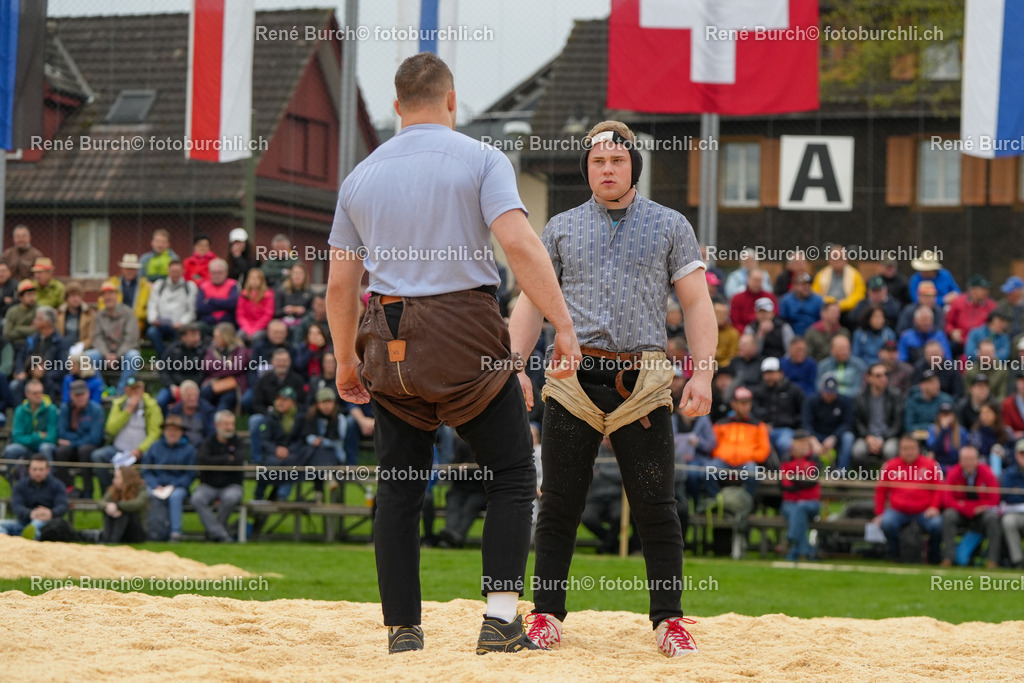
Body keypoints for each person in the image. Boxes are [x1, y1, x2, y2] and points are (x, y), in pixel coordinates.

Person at [327, 53, 582, 656]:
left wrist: (344, 360)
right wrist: (563, 326)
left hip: (388, 338)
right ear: (451, 101)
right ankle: (498, 622)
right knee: (513, 474)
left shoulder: (360, 175)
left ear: (395, 107)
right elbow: (518, 243)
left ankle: (403, 630)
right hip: (463, 329)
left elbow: (341, 285)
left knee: (399, 487)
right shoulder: (481, 158)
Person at [509, 119, 712, 657]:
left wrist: (705, 371)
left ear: (633, 167)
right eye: (598, 162)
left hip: (642, 379)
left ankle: (669, 620)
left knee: (656, 505)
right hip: (572, 377)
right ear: (587, 170)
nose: (607, 169)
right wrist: (512, 366)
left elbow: (696, 302)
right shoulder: (559, 228)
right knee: (558, 503)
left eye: (617, 161)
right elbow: (530, 302)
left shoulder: (671, 225)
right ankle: (546, 613)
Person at [872, 436, 944, 563]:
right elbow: (881, 491)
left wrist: (934, 507)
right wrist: (879, 513)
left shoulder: (931, 465)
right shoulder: (890, 465)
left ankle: (933, 555)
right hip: (898, 511)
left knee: (936, 525)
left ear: (918, 449)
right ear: (900, 450)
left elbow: (939, 489)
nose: (908, 452)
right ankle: (895, 553)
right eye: (905, 449)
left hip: (924, 511)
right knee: (887, 523)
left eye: (912, 448)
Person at [91, 377, 162, 494]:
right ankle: (109, 492)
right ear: (126, 390)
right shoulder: (119, 404)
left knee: (151, 459)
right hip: (118, 449)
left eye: (138, 388)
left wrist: (140, 449)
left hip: (141, 452)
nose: (135, 392)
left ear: (142, 388)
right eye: (132, 389)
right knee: (97, 456)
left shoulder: (151, 406)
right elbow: (110, 429)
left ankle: (143, 494)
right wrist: (128, 410)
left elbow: (155, 433)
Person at [940, 445, 1001, 568]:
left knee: (992, 518)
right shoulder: (953, 473)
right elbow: (947, 500)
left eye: (971, 459)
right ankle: (948, 558)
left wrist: (973, 507)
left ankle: (992, 560)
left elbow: (994, 499)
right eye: (965, 459)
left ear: (977, 460)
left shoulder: (987, 472)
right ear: (960, 460)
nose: (968, 462)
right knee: (948, 515)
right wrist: (970, 508)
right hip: (961, 513)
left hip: (982, 514)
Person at [141, 413, 197, 542]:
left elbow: (190, 474)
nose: (172, 433)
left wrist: (173, 485)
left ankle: (175, 533)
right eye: (169, 430)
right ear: (164, 432)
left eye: (176, 430)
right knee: (150, 495)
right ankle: (153, 531)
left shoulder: (189, 450)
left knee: (175, 496)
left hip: (178, 486)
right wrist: (155, 485)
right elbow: (146, 470)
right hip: (157, 485)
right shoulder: (155, 447)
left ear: (181, 432)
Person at [708, 386, 771, 500]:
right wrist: (721, 454)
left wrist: (748, 455)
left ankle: (744, 503)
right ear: (733, 404)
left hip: (747, 462)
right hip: (723, 461)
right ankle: (718, 502)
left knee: (753, 473)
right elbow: (712, 445)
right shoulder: (721, 423)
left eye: (748, 403)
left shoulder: (758, 425)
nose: (746, 407)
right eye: (742, 403)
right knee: (707, 472)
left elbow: (764, 450)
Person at [191, 410, 245, 543]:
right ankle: (220, 534)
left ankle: (213, 533)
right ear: (217, 425)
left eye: (232, 424)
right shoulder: (208, 442)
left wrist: (216, 460)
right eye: (226, 424)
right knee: (197, 499)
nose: (230, 428)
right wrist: (227, 458)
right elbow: (203, 459)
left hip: (232, 485)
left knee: (231, 498)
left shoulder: (238, 442)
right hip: (209, 485)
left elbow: (239, 460)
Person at [55, 380, 105, 497]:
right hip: (74, 446)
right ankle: (67, 488)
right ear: (71, 396)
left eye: (82, 394)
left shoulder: (96, 410)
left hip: (88, 448)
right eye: (77, 395)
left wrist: (72, 442)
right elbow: (62, 432)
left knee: (85, 450)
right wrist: (79, 439)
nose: (80, 398)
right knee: (61, 452)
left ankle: (88, 491)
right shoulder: (65, 409)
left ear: (88, 394)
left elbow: (95, 438)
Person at [250, 386, 301, 502]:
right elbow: (264, 439)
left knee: (292, 464)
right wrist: (275, 449)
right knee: (270, 464)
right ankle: (259, 496)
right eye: (279, 399)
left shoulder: (299, 419)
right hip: (272, 452)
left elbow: (300, 440)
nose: (280, 403)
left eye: (285, 400)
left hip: (291, 453)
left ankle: (282, 496)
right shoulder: (270, 417)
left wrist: (288, 450)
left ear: (293, 403)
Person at [0, 455, 67, 540]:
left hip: (49, 524)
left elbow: (62, 505)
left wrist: (50, 513)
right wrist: (30, 513)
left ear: (48, 470)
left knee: (35, 525)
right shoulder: (20, 485)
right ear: (29, 470)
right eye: (34, 469)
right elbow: (16, 506)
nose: (37, 473)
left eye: (41, 469)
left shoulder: (58, 485)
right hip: (23, 522)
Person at [92, 281, 142, 394]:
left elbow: (131, 338)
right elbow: (97, 338)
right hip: (105, 356)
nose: (108, 297)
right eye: (104, 294)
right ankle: (102, 389)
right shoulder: (99, 315)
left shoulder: (128, 313)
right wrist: (106, 354)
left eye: (111, 293)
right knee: (87, 357)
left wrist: (117, 355)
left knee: (134, 356)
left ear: (117, 295)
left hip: (124, 355)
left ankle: (121, 392)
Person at [578, 439, 625, 555]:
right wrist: (616, 474)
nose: (609, 442)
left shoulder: (624, 451)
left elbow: (625, 475)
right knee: (587, 518)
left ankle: (605, 548)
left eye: (611, 438)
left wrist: (602, 471)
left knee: (620, 516)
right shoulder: (594, 450)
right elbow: (591, 475)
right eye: (606, 439)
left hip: (616, 497)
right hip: (594, 498)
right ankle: (612, 544)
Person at [3, 379, 59, 477]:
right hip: (26, 448)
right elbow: (17, 437)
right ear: (27, 394)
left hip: (45, 448)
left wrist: (29, 438)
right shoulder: (20, 410)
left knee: (45, 447)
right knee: (10, 450)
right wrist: (38, 436)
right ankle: (14, 486)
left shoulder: (51, 409)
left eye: (40, 392)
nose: (39, 396)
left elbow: (52, 437)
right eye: (35, 393)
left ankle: (48, 483)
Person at [779, 430, 821, 562]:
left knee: (800, 508)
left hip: (811, 503)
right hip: (789, 503)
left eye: (806, 442)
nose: (804, 445)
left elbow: (811, 481)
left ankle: (791, 543)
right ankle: (803, 551)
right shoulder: (785, 458)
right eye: (800, 442)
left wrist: (793, 480)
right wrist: (800, 480)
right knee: (798, 510)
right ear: (793, 444)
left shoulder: (815, 459)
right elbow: (783, 484)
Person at [852, 363, 903, 468]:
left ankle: (890, 481)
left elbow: (898, 422)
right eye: (878, 376)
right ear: (869, 378)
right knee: (858, 451)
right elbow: (857, 421)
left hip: (888, 436)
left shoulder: (895, 395)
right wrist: (867, 437)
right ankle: (866, 480)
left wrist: (883, 438)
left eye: (885, 375)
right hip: (867, 436)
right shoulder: (860, 397)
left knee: (890, 451)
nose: (883, 378)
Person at [750, 356, 804, 457]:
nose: (769, 377)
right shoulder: (758, 391)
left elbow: (802, 412)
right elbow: (753, 411)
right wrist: (762, 424)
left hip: (786, 429)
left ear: (781, 373)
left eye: (772, 373)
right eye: (766, 374)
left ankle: (783, 470)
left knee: (784, 444)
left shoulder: (793, 390)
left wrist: (792, 423)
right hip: (762, 429)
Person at [145, 259, 198, 357]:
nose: (175, 274)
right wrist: (153, 319)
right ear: (168, 271)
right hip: (161, 325)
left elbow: (191, 311)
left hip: (179, 326)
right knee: (152, 332)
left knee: (182, 336)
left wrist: (181, 323)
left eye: (178, 271)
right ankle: (165, 361)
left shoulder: (190, 287)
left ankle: (171, 361)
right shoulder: (159, 285)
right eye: (173, 271)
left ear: (183, 271)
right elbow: (152, 305)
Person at [802, 375, 855, 471]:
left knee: (848, 437)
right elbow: (806, 423)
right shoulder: (811, 401)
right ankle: (805, 470)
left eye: (832, 393)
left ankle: (841, 471)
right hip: (816, 434)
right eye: (826, 392)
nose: (829, 395)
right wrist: (813, 439)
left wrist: (834, 437)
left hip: (836, 435)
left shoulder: (845, 401)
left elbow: (847, 423)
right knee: (801, 437)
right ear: (822, 389)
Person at [199, 322, 249, 412]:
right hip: (214, 383)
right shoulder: (212, 348)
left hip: (232, 385)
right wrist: (226, 364)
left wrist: (216, 370)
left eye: (217, 337)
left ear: (226, 337)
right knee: (204, 394)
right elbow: (206, 366)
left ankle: (219, 422)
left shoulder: (240, 349)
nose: (214, 339)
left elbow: (237, 367)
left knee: (225, 400)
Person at [156, 323, 206, 412]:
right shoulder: (172, 350)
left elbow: (203, 372)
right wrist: (171, 386)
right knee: (160, 401)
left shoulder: (203, 351)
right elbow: (164, 371)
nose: (197, 338)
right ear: (183, 338)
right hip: (174, 386)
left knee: (206, 403)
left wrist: (191, 387)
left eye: (198, 335)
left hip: (195, 387)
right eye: (193, 336)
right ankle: (166, 424)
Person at [100, 253, 152, 334]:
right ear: (122, 269)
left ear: (136, 270)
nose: (129, 271)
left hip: (136, 319)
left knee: (135, 327)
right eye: (127, 269)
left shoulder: (145, 286)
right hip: (114, 318)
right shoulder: (112, 283)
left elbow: (149, 307)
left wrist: (136, 316)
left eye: (132, 269)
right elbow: (102, 303)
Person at [945, 275, 995, 356]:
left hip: (981, 345)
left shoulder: (991, 306)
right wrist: (952, 332)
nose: (986, 292)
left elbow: (994, 326)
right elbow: (948, 322)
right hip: (960, 344)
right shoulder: (958, 302)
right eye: (983, 289)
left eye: (987, 289)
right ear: (973, 290)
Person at [812, 244, 866, 320]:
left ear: (846, 259)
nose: (837, 261)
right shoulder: (821, 275)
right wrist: (830, 304)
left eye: (840, 258)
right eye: (834, 258)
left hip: (847, 311)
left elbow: (859, 296)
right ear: (829, 260)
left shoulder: (855, 275)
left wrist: (841, 305)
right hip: (826, 309)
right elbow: (815, 294)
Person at [100, 465, 149, 543]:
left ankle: (113, 541)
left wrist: (117, 506)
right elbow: (101, 503)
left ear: (126, 479)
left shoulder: (141, 490)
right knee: (111, 510)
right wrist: (109, 506)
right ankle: (106, 539)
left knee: (124, 512)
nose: (114, 480)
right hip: (121, 531)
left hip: (137, 532)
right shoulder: (114, 489)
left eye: (117, 477)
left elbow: (137, 504)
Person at [968, 401, 1013, 477]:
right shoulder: (975, 432)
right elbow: (973, 453)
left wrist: (1003, 453)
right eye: (982, 413)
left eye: (988, 413)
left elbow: (1013, 453)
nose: (984, 417)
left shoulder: (1006, 432)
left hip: (1004, 469)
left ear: (996, 414)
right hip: (981, 470)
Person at [167, 380, 215, 448]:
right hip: (180, 449)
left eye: (194, 395)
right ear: (182, 397)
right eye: (189, 396)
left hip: (202, 449)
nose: (192, 398)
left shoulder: (207, 410)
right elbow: (170, 432)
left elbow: (211, 433)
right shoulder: (174, 411)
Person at [904, 369, 953, 437]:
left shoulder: (946, 400)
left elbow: (950, 424)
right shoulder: (913, 401)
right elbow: (909, 427)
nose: (936, 385)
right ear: (922, 385)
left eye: (937, 381)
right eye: (932, 382)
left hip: (939, 438)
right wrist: (931, 428)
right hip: (918, 439)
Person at [195, 258, 239, 331]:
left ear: (226, 272)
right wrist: (223, 303)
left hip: (227, 322)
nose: (216, 275)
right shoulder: (203, 286)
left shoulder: (233, 285)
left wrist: (211, 301)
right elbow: (200, 307)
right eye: (213, 273)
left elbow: (232, 304)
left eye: (219, 273)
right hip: (207, 322)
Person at [1000, 442, 1024, 568]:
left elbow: (1014, 495)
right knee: (1008, 521)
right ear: (1016, 455)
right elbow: (1008, 496)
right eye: (1022, 454)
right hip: (1015, 513)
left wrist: (1018, 491)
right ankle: (1018, 561)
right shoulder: (1009, 473)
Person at [925, 401, 968, 472]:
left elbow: (959, 454)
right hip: (937, 466)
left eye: (948, 414)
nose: (946, 417)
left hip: (956, 466)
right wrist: (943, 430)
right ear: (939, 416)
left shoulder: (961, 431)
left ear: (954, 416)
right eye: (943, 415)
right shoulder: (932, 429)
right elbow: (934, 449)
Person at [237, 268, 276, 344]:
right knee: (239, 336)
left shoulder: (268, 295)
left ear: (262, 280)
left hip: (262, 327)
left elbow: (268, 315)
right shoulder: (243, 295)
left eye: (257, 278)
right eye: (252, 278)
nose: (254, 281)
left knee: (256, 337)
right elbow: (240, 315)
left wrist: (254, 330)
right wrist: (248, 329)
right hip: (246, 327)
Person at [778, 272, 822, 336]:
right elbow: (782, 321)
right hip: (792, 335)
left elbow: (821, 321)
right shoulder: (786, 300)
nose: (806, 287)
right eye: (803, 284)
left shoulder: (818, 300)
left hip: (813, 335)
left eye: (808, 284)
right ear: (794, 286)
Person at [56, 281, 96, 351]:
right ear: (66, 298)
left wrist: (81, 346)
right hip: (62, 348)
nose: (76, 299)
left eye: (78, 295)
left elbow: (91, 337)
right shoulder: (59, 313)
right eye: (72, 296)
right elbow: (55, 334)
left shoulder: (89, 314)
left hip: (82, 349)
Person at [274, 262, 312, 331]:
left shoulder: (310, 292)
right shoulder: (282, 290)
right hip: (284, 322)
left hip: (303, 322)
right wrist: (284, 310)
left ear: (305, 276)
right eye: (295, 273)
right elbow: (276, 312)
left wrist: (304, 311)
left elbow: (313, 313)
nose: (297, 276)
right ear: (290, 275)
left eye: (300, 273)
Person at [3, 279, 38, 354]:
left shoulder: (38, 310)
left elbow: (36, 331)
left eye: (33, 294)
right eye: (29, 295)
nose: (32, 298)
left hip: (33, 345)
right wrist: (28, 330)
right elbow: (7, 333)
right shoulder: (12, 311)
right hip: (14, 345)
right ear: (20, 297)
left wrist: (18, 328)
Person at [713, 302, 739, 368]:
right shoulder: (706, 332)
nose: (720, 316)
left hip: (725, 368)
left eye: (724, 314)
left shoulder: (733, 334)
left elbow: (732, 356)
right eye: (717, 313)